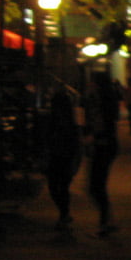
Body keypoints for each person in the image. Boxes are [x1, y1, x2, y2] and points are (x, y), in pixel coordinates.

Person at [83, 71, 121, 237]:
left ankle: (106, 222)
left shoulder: (102, 102)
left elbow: (104, 125)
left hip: (104, 146)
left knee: (96, 186)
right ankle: (107, 221)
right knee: (97, 186)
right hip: (104, 146)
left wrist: (94, 137)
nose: (89, 85)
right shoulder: (99, 100)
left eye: (92, 82)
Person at [43, 88, 82, 230]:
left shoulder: (63, 122)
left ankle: (64, 214)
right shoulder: (65, 121)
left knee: (58, 187)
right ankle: (64, 213)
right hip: (61, 157)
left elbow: (74, 142)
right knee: (59, 187)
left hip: (61, 156)